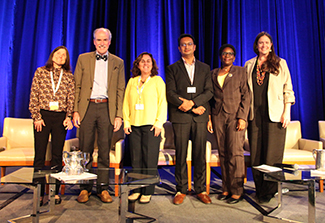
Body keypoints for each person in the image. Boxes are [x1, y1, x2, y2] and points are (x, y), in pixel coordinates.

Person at [73, 28, 125, 203]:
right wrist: (75, 110)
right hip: (87, 107)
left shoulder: (118, 62)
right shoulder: (82, 58)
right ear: (94, 42)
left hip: (106, 109)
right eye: (98, 40)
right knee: (85, 150)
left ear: (109, 42)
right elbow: (77, 86)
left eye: (105, 40)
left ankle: (103, 188)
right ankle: (85, 188)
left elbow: (120, 90)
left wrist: (119, 115)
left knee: (104, 150)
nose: (102, 43)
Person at [244, 32, 295, 203]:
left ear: (271, 45)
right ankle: (259, 190)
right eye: (260, 43)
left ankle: (270, 191)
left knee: (272, 155)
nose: (264, 46)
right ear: (256, 46)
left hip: (275, 114)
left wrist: (287, 111)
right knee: (257, 154)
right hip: (254, 115)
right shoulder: (249, 64)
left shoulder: (280, 63)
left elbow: (288, 88)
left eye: (266, 43)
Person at [166, 33, 213, 205]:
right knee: (181, 154)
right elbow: (170, 93)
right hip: (181, 117)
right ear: (179, 49)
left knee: (200, 154)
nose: (186, 47)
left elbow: (209, 91)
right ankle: (181, 189)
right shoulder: (172, 68)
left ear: (194, 47)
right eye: (183, 45)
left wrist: (193, 104)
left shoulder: (205, 68)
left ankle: (200, 189)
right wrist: (187, 105)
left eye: (189, 44)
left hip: (200, 116)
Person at [29, 46, 75, 205]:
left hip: (60, 118)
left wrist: (69, 116)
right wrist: (36, 116)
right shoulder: (40, 72)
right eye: (58, 54)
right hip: (42, 117)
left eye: (64, 55)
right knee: (39, 156)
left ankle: (55, 191)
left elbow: (71, 97)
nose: (61, 57)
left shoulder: (69, 75)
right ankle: (39, 192)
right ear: (52, 55)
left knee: (57, 156)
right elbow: (34, 94)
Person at [207, 44, 250, 204]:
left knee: (235, 153)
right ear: (220, 56)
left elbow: (246, 95)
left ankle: (237, 190)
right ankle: (226, 188)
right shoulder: (213, 73)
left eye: (231, 53)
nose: (227, 56)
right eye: (224, 53)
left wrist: (242, 117)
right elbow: (210, 98)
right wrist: (209, 117)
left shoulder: (241, 71)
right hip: (218, 116)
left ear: (234, 56)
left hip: (235, 117)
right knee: (223, 153)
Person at [123, 52, 167, 204]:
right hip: (134, 125)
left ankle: (147, 191)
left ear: (152, 64)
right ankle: (136, 189)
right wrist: (126, 121)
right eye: (142, 61)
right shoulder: (132, 81)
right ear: (138, 64)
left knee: (149, 159)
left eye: (148, 61)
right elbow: (125, 103)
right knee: (136, 159)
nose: (145, 64)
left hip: (151, 126)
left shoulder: (157, 81)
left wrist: (159, 123)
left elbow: (163, 103)